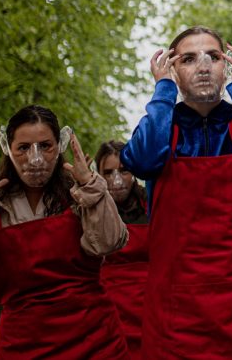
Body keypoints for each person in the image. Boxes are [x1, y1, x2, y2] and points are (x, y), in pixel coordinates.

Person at [121, 27, 232, 359]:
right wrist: (163, 91)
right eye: (188, 59)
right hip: (174, 307)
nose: (202, 66)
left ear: (225, 67)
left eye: (213, 57)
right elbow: (142, 160)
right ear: (173, 70)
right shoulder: (162, 123)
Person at [0, 105, 129, 359]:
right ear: (8, 149)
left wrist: (91, 186)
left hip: (93, 340)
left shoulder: (79, 196)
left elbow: (109, 242)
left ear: (59, 147)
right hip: (22, 345)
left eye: (45, 146)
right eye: (24, 148)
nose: (35, 159)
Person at [97, 140, 149, 359]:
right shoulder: (91, 209)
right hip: (107, 310)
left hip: (150, 307)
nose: (116, 180)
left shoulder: (153, 202)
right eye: (108, 173)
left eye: (123, 171)